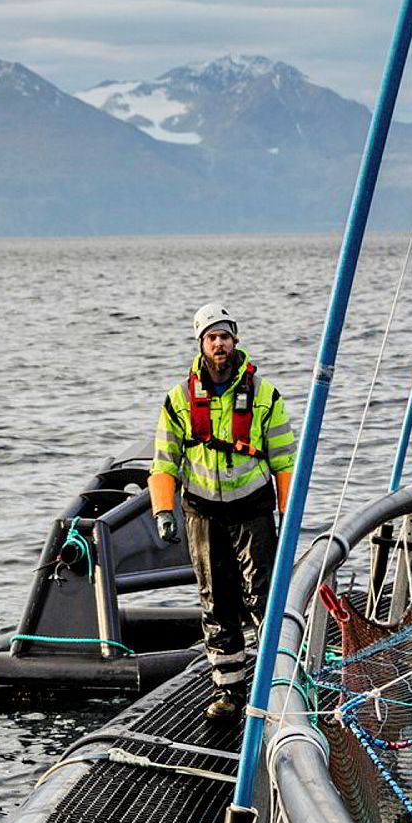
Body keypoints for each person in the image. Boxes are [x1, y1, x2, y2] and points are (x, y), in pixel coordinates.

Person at [149, 303, 298, 721]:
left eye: (225, 336)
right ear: (201, 344)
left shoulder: (264, 395)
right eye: (212, 337)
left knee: (265, 598)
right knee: (216, 602)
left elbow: (286, 460)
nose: (219, 344)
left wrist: (288, 514)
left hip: (253, 508)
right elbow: (163, 462)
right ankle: (230, 692)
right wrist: (163, 510)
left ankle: (278, 685)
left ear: (236, 341)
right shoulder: (179, 400)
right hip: (202, 512)